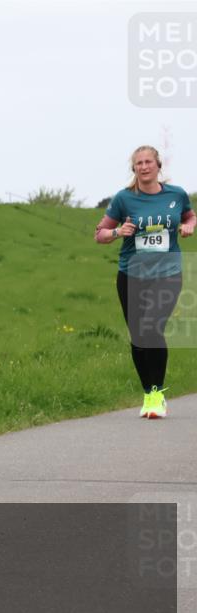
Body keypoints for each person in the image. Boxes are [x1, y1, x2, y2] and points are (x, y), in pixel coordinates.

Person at [94, 145, 194, 418]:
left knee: (152, 328)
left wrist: (189, 225)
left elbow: (188, 215)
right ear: (134, 168)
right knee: (138, 336)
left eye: (149, 161)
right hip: (131, 274)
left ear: (158, 165)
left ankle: (157, 393)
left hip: (168, 272)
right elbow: (99, 234)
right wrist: (117, 231)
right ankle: (149, 393)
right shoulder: (124, 199)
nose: (144, 166)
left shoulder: (176, 194)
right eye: (139, 163)